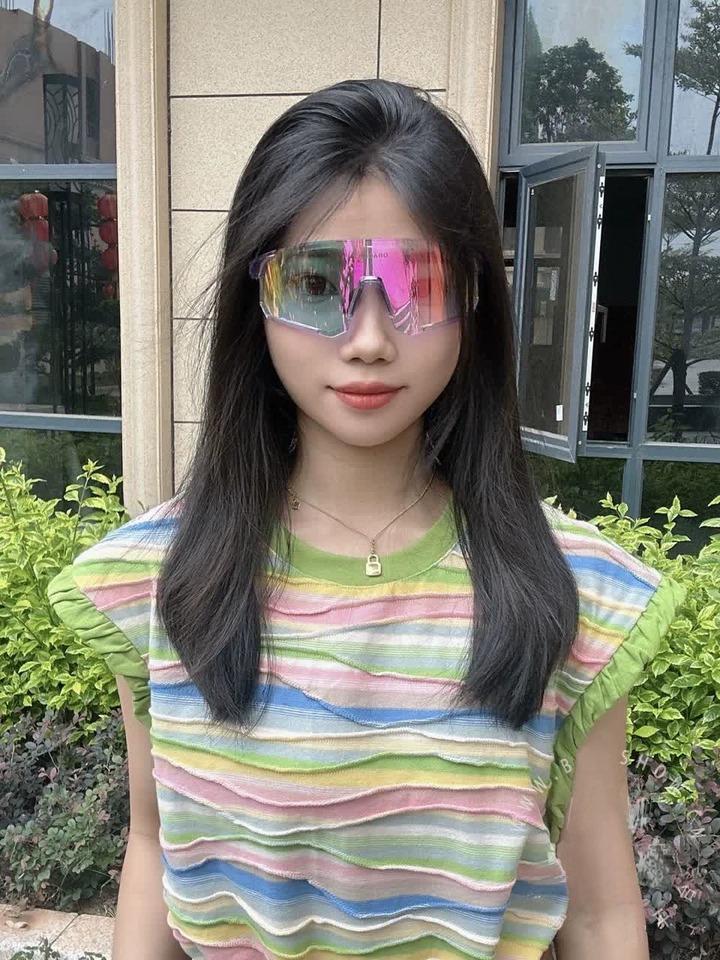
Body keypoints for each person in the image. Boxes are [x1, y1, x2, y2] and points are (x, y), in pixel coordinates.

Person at [47, 78, 685, 960]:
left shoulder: (573, 592)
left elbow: (600, 914)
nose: (370, 338)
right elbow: (154, 846)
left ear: (474, 300)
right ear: (255, 299)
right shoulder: (158, 579)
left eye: (420, 282)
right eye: (318, 283)